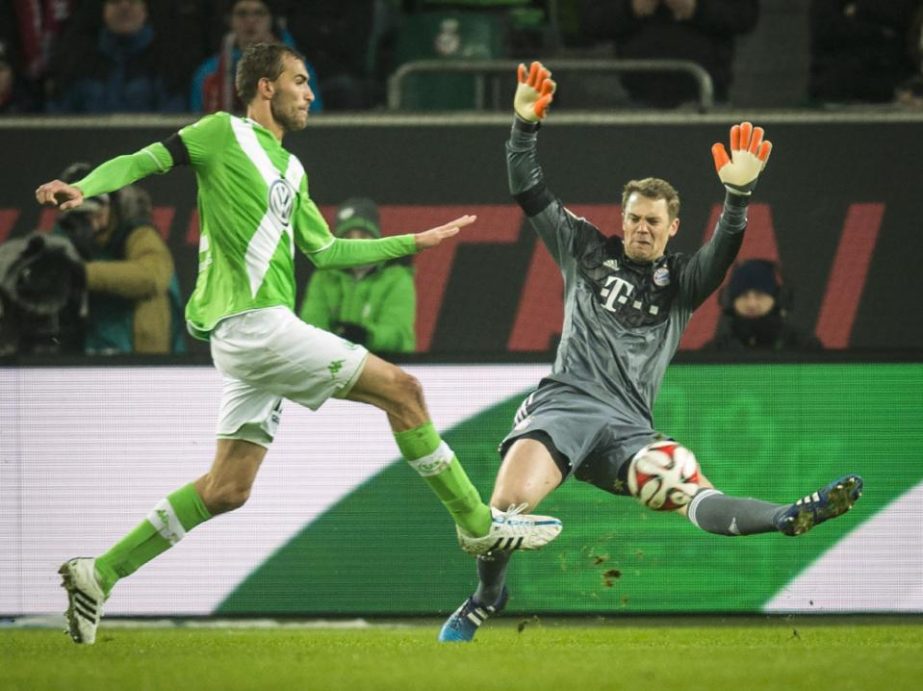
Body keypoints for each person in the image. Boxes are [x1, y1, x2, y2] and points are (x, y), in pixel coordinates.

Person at [35, 42, 561, 645]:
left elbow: (327, 251)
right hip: (255, 325)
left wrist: (411, 243)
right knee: (405, 392)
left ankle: (97, 573)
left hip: (254, 336)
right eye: (300, 81)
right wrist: (88, 187)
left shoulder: (292, 170)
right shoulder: (221, 133)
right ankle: (477, 524)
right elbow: (145, 160)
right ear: (265, 87)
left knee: (227, 489)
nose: (310, 93)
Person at [437, 61, 864, 642]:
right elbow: (525, 185)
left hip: (628, 432)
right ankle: (488, 595)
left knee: (694, 490)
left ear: (672, 227)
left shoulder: (684, 281)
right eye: (634, 218)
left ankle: (787, 516)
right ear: (623, 218)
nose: (641, 228)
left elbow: (725, 248)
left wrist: (737, 197)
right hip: (566, 405)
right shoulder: (584, 247)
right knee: (505, 509)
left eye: (653, 222)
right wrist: (523, 126)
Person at [52, 162, 186, 355]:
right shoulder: (65, 240)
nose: (91, 221)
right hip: (87, 356)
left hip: (145, 359)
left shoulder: (137, 235)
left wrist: (84, 274)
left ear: (111, 205)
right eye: (81, 215)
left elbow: (152, 276)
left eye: (96, 211)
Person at [579, 0, 760, 108]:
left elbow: (745, 15)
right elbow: (591, 20)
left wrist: (696, 9)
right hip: (638, 98)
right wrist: (631, 8)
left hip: (707, 100)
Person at [300, 197, 416, 354]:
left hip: (384, 369)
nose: (356, 243)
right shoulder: (323, 278)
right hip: (334, 370)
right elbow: (309, 333)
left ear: (376, 239)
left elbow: (399, 337)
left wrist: (366, 336)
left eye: (362, 234)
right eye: (347, 237)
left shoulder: (397, 279)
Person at [45, 0, 185, 113]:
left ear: (145, 9)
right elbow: (58, 119)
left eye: (133, 1)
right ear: (102, 9)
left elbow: (172, 122)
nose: (124, 6)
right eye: (115, 1)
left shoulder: (167, 62)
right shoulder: (78, 61)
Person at [189, 0, 323, 114]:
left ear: (271, 20)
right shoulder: (209, 72)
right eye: (242, 14)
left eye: (259, 13)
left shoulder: (296, 69)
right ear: (230, 21)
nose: (250, 21)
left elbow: (312, 119)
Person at [809, 0, 921, 106]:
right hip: (839, 90)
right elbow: (825, 28)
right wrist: (879, 32)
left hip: (898, 90)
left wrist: (860, 13)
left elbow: (909, 24)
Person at [703, 258, 823, 352]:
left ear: (779, 298)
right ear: (730, 301)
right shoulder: (716, 351)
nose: (751, 303)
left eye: (760, 295)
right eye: (743, 296)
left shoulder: (804, 347)